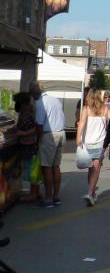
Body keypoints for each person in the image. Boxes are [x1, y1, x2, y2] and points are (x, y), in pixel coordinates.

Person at [30, 81, 66, 209]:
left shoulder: (40, 103)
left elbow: (39, 125)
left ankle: (48, 199)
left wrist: (37, 141)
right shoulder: (55, 100)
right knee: (56, 166)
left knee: (47, 168)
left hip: (49, 135)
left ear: (35, 92)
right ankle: (56, 197)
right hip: (61, 133)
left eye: (31, 92)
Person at [77, 89, 110, 206]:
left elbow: (81, 123)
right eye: (104, 96)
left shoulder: (87, 109)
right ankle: (91, 192)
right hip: (98, 144)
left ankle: (90, 193)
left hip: (90, 143)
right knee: (94, 169)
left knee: (93, 168)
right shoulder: (105, 110)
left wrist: (78, 138)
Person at [13, 92, 40, 202]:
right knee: (31, 170)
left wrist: (22, 134)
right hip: (26, 146)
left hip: (30, 146)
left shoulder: (30, 114)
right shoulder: (24, 113)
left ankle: (33, 194)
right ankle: (35, 193)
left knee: (31, 170)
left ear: (23, 103)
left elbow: (36, 128)